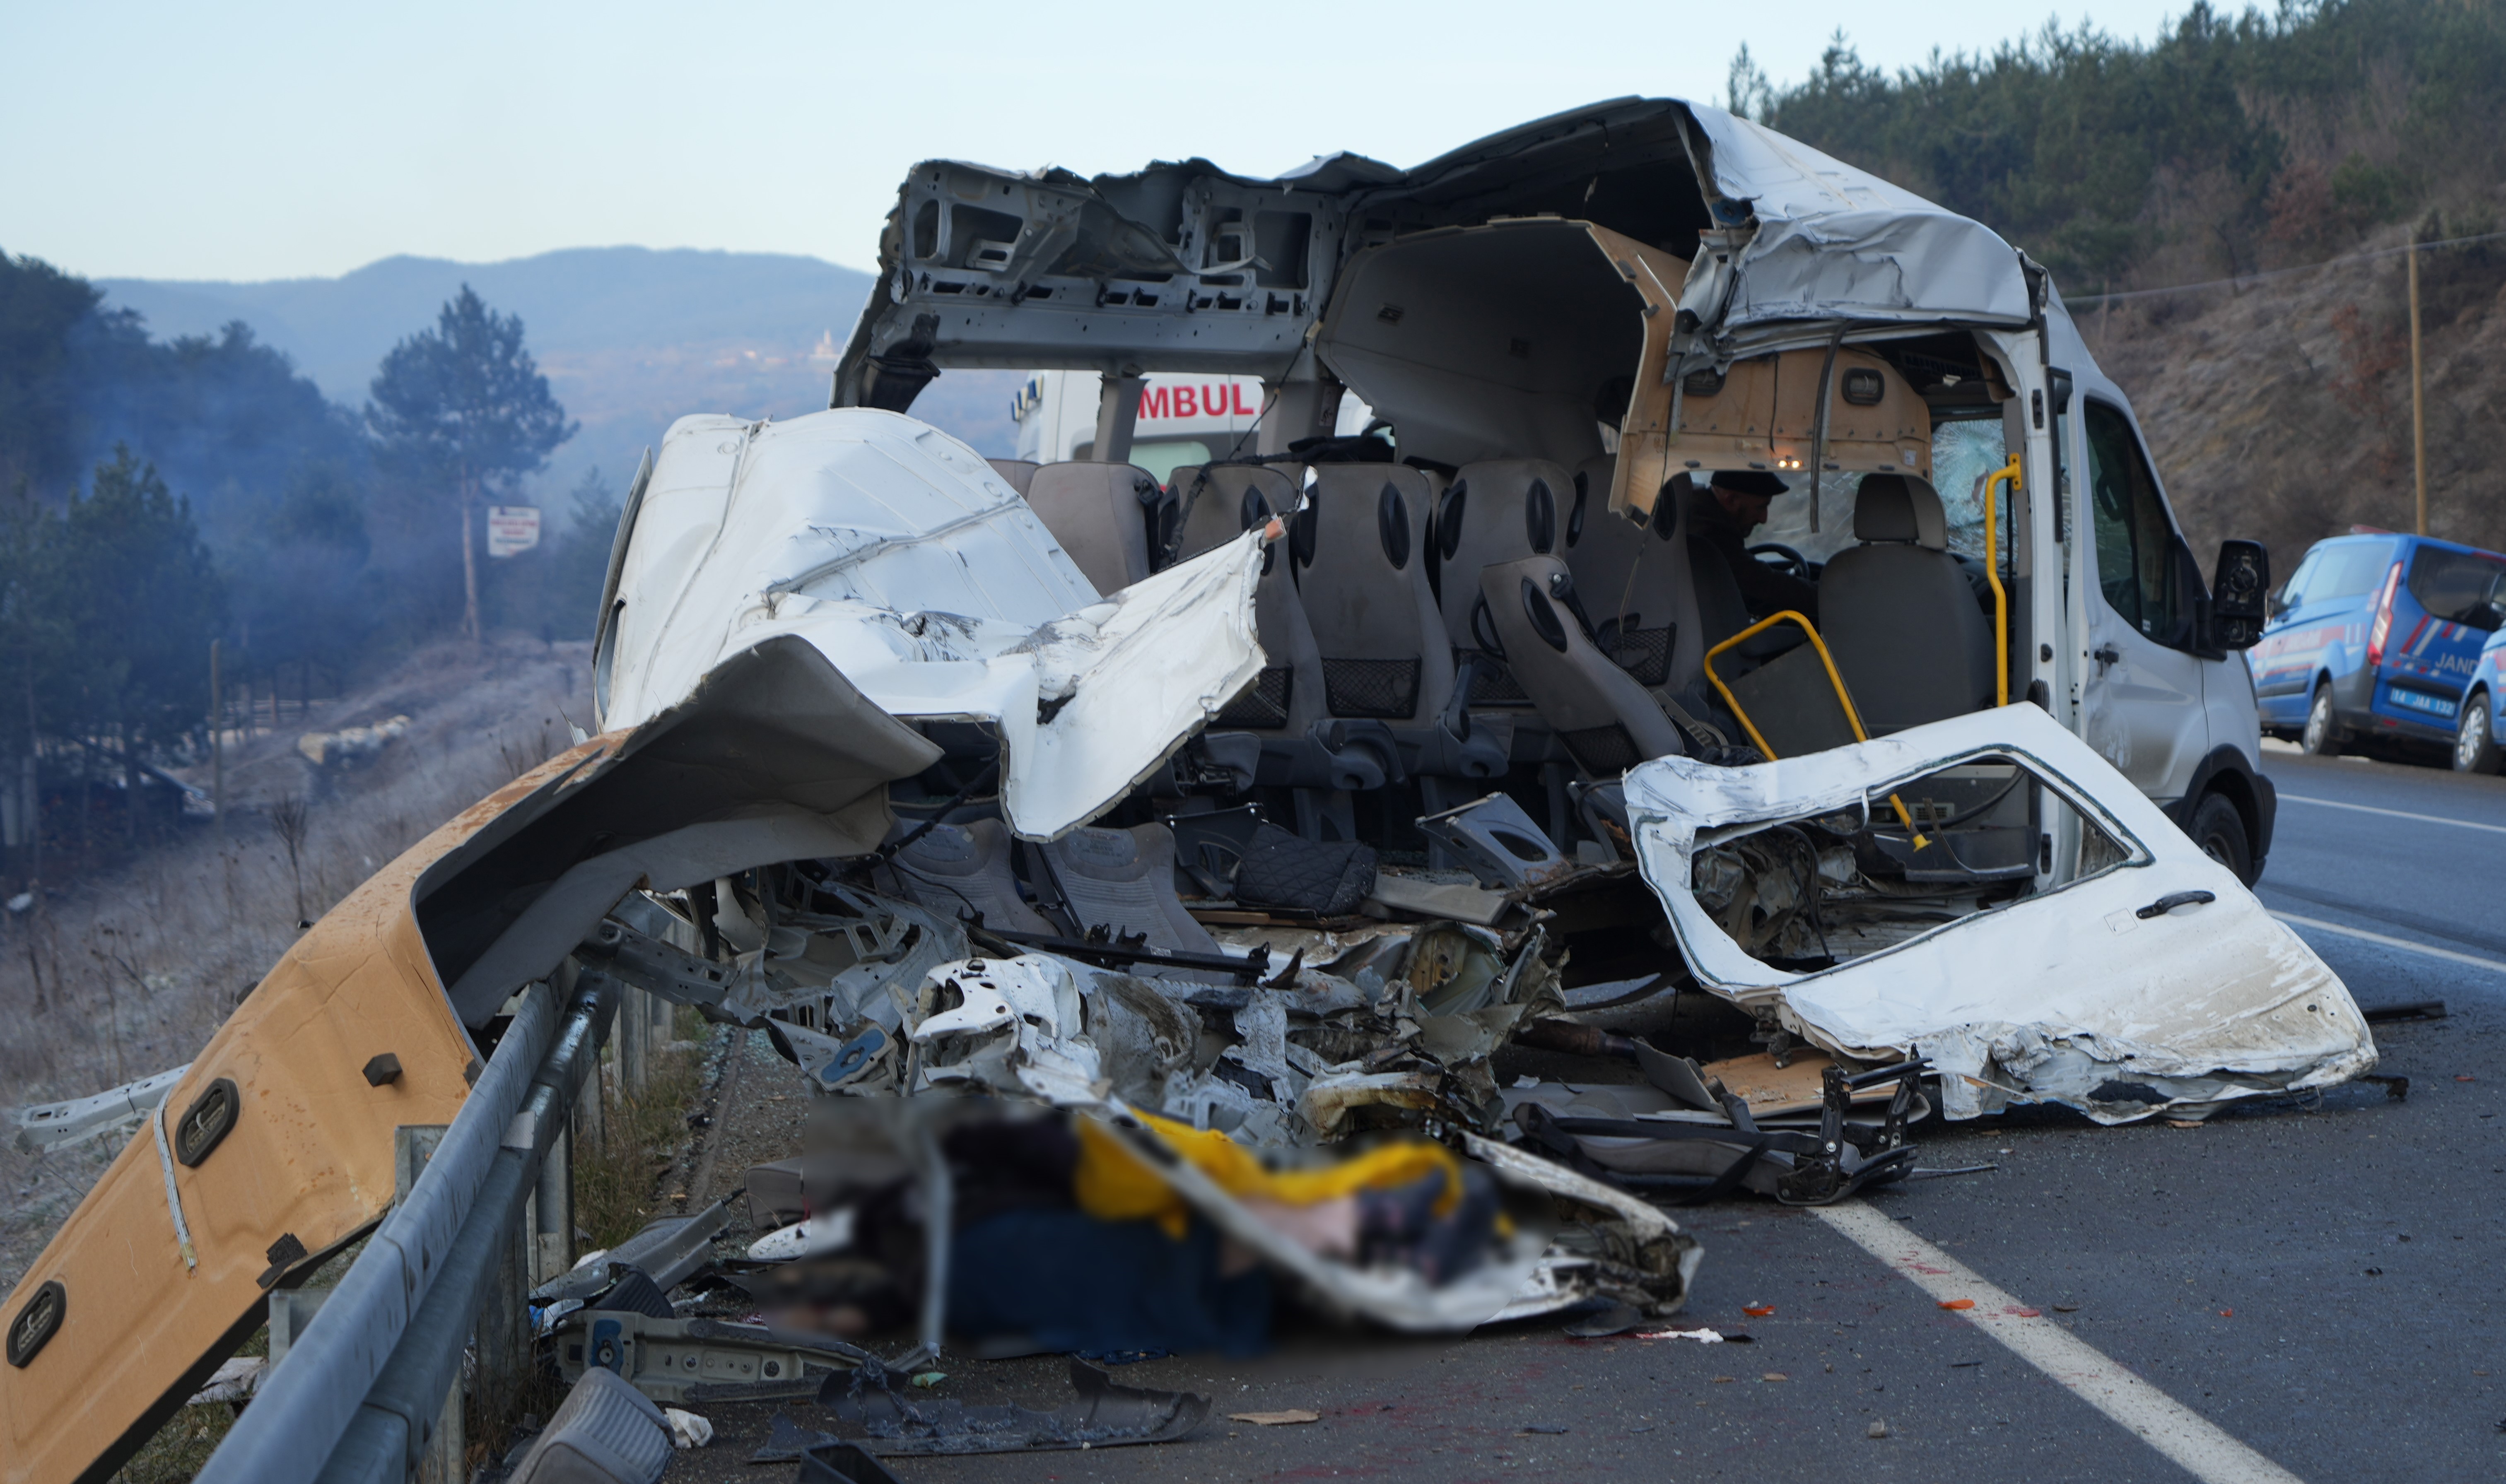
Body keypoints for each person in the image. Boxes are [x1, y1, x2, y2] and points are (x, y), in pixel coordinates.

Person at [1682, 470, 1818, 624]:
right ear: (1732, 500)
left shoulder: (1695, 512)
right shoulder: (1710, 533)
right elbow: (1762, 582)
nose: (1764, 519)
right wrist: (1828, 596)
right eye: (1761, 507)